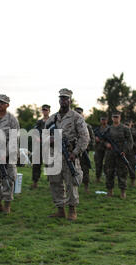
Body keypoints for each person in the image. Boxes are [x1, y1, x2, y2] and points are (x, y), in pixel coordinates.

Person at [46, 89, 89, 221]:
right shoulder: (52, 118)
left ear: (70, 100)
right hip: (55, 155)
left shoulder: (76, 117)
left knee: (71, 183)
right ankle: (60, 210)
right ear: (59, 100)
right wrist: (50, 140)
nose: (63, 101)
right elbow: (44, 135)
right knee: (55, 182)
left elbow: (85, 137)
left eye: (66, 98)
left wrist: (75, 152)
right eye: (61, 98)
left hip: (69, 154)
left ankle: (72, 210)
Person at [102, 111, 133, 198]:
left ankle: (123, 192)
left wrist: (125, 150)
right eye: (114, 117)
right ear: (112, 118)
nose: (115, 118)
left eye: (117, 117)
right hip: (110, 153)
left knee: (122, 172)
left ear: (120, 118)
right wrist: (106, 144)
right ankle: (109, 192)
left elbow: (130, 141)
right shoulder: (108, 129)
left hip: (121, 152)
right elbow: (103, 139)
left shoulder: (125, 128)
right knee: (109, 172)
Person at [74, 107, 94, 193]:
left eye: (80, 113)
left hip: (83, 151)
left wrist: (85, 147)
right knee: (72, 169)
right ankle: (73, 187)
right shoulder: (70, 126)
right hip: (73, 151)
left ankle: (86, 187)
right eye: (76, 113)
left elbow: (92, 139)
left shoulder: (87, 126)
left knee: (85, 169)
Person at [31, 104, 50, 189]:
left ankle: (51, 182)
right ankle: (35, 182)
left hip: (49, 146)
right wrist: (37, 138)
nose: (44, 111)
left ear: (49, 111)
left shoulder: (52, 121)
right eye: (43, 110)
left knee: (49, 164)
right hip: (39, 146)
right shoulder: (39, 122)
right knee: (36, 164)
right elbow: (34, 131)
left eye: (46, 110)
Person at [93, 116, 109, 183]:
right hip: (98, 148)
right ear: (100, 121)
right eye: (102, 120)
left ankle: (108, 178)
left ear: (107, 120)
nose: (103, 121)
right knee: (98, 164)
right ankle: (98, 178)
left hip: (107, 149)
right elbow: (92, 136)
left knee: (107, 164)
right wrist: (95, 138)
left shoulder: (110, 129)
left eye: (105, 120)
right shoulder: (97, 129)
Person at [125, 119, 136, 187]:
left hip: (132, 152)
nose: (127, 126)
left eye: (128, 124)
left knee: (132, 167)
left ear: (131, 124)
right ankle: (123, 181)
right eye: (126, 124)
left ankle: (132, 181)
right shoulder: (122, 131)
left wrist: (133, 145)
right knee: (122, 167)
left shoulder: (134, 132)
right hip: (123, 151)